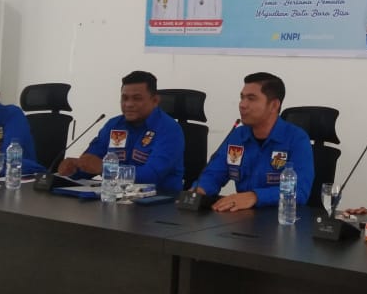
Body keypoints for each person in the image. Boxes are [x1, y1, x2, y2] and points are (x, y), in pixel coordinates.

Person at [193, 72, 314, 211]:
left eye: (251, 99)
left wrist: (255, 196)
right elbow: (214, 174)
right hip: (241, 217)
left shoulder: (297, 139)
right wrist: (199, 191)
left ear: (274, 105)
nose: (242, 105)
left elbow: (300, 191)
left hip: (280, 217)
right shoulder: (238, 136)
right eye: (242, 98)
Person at [58, 71, 184, 193]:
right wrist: (75, 168)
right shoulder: (114, 125)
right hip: (114, 197)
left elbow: (151, 175)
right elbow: (93, 162)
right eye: (124, 98)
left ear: (155, 101)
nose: (128, 104)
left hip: (159, 201)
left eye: (137, 99)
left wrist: (105, 169)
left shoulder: (169, 130)